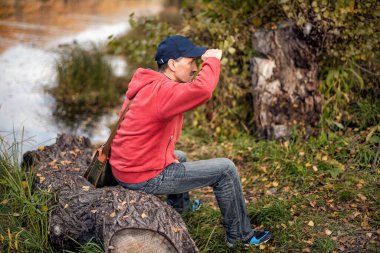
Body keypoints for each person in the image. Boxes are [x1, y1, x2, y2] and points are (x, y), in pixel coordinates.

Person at [110, 35, 273, 247]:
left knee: (180, 156)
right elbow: (203, 90)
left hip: (126, 168)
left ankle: (181, 210)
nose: (195, 67)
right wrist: (212, 60)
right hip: (140, 176)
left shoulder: (149, 84)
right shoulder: (163, 91)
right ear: (172, 64)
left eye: (197, 62)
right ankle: (240, 236)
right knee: (225, 169)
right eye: (191, 62)